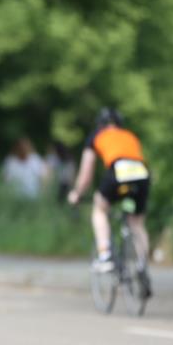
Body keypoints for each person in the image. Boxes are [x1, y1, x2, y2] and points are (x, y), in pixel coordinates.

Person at [67, 108, 151, 280]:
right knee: (137, 223)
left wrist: (77, 193)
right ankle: (142, 264)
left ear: (100, 124)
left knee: (99, 209)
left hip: (118, 171)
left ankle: (105, 256)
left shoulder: (97, 136)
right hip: (142, 175)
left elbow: (86, 173)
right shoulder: (129, 135)